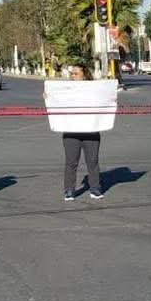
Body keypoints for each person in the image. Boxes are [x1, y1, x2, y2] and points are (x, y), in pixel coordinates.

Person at [55, 64, 104, 201]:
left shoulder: (95, 90)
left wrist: (111, 99)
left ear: (85, 75)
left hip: (91, 131)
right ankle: (69, 190)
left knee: (93, 161)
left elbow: (105, 100)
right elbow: (56, 100)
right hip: (71, 132)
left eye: (76, 73)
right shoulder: (65, 90)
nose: (73, 76)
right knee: (71, 162)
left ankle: (95, 189)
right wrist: (48, 96)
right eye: (72, 73)